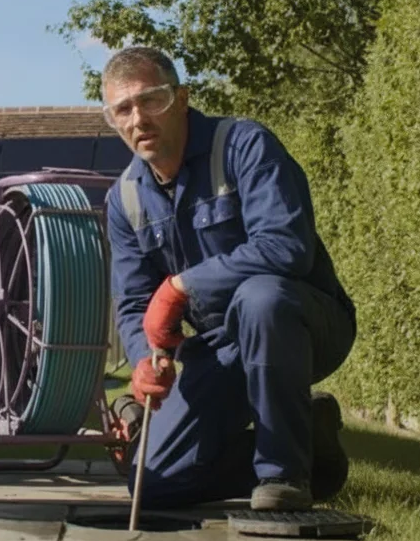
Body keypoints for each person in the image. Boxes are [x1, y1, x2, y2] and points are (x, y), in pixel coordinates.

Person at [102, 46, 356, 510]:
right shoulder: (124, 199)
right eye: (123, 109)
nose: (139, 119)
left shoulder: (244, 145)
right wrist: (144, 360)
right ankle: (313, 450)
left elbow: (285, 246)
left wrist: (181, 286)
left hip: (303, 322)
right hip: (223, 345)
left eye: (151, 100)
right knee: (153, 484)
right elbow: (135, 302)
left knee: (261, 298)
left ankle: (283, 478)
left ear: (181, 99)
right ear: (114, 120)